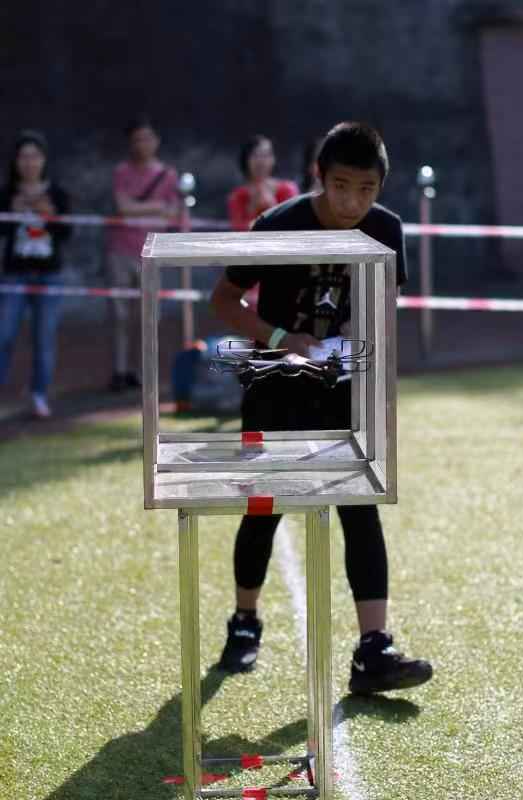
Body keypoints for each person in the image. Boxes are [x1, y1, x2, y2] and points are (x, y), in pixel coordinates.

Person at [211, 121, 433, 695]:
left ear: (381, 187)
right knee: (265, 507)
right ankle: (244, 621)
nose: (352, 202)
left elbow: (383, 309)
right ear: (319, 178)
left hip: (343, 393)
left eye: (366, 189)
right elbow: (224, 301)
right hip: (275, 390)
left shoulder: (386, 229)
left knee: (360, 508)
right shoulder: (277, 224)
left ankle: (374, 649)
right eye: (340, 186)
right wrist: (285, 339)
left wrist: (357, 346)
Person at [107, 116, 184, 392]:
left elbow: (174, 212)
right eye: (137, 139)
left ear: (157, 141)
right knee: (119, 315)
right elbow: (123, 207)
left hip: (151, 252)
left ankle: (143, 371)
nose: (143, 144)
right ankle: (119, 370)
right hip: (120, 250)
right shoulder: (121, 172)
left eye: (147, 138)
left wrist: (146, 209)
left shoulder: (168, 175)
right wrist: (157, 207)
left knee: (149, 315)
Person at [0, 130, 71, 418]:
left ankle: (39, 395)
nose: (29, 162)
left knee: (44, 339)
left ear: (43, 160)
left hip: (49, 275)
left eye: (34, 156)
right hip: (15, 274)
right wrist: (12, 213)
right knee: (4, 335)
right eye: (23, 156)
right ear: (16, 161)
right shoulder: (6, 194)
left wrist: (50, 216)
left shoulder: (58, 194)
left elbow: (67, 233)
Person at [228, 135, 298, 232]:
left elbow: (293, 226)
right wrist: (252, 209)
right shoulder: (238, 196)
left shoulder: (288, 189)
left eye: (266, 155)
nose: (260, 161)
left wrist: (272, 207)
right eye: (255, 155)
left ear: (274, 159)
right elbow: (238, 230)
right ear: (246, 160)